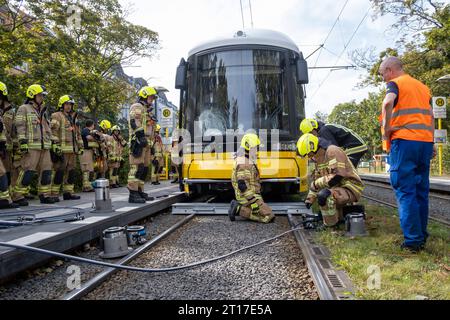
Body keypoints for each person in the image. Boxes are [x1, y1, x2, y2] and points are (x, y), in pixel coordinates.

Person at [379, 56, 434, 253]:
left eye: (382, 74)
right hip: (424, 142)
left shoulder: (395, 84)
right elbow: (431, 115)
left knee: (405, 190)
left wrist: (387, 130)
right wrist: (432, 140)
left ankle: (412, 241)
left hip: (404, 142)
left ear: (390, 70)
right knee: (421, 191)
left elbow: (387, 103)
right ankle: (421, 234)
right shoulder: (422, 87)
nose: (383, 79)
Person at [298, 134, 365, 227]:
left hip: (350, 187)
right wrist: (310, 198)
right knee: (324, 204)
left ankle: (330, 226)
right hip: (337, 187)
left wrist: (318, 183)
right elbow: (317, 181)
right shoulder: (318, 158)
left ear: (313, 147)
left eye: (309, 154)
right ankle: (353, 212)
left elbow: (338, 176)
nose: (309, 157)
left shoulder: (332, 151)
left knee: (325, 196)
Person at [13, 84, 55, 204]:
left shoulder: (43, 111)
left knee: (47, 171)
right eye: (40, 95)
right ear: (32, 95)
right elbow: (20, 126)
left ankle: (44, 195)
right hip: (31, 146)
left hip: (45, 146)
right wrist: (23, 141)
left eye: (42, 95)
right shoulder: (24, 108)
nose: (42, 97)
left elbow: (47, 128)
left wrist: (52, 142)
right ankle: (18, 195)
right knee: (28, 171)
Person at [228, 133, 275, 224]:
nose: (257, 150)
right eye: (255, 147)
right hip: (247, 196)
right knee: (268, 216)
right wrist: (253, 202)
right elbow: (242, 186)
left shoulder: (248, 159)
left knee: (269, 214)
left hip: (253, 195)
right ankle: (238, 208)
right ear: (249, 147)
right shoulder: (243, 163)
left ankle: (240, 208)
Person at [50, 95, 83, 202]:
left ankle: (68, 192)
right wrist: (55, 144)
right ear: (62, 105)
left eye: (70, 104)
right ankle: (54, 193)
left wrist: (81, 146)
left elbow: (78, 133)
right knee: (59, 171)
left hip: (73, 150)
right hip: (62, 150)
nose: (69, 106)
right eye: (67, 104)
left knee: (71, 172)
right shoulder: (56, 116)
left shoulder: (73, 117)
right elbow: (53, 131)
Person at [127, 86, 157, 203]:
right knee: (136, 167)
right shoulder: (137, 107)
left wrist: (152, 144)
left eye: (153, 97)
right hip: (139, 142)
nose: (152, 99)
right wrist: (141, 137)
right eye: (151, 97)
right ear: (144, 96)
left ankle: (139, 190)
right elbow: (134, 122)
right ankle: (132, 193)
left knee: (144, 168)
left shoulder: (148, 110)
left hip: (147, 144)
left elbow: (151, 128)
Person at [300, 119, 368, 168]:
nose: (312, 136)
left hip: (355, 147)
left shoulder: (323, 131)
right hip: (356, 146)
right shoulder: (325, 128)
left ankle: (349, 186)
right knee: (346, 168)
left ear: (314, 128)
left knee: (343, 167)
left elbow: (333, 149)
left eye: (311, 133)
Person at [0, 82, 19, 209]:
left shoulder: (10, 111)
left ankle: (7, 197)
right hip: (2, 146)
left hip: (7, 147)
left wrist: (17, 146)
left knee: (8, 172)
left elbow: (14, 131)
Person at [80, 119, 97, 192]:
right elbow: (88, 138)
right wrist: (96, 138)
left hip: (89, 151)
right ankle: (86, 186)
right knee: (86, 169)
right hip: (85, 151)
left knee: (90, 169)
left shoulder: (88, 131)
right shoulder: (85, 130)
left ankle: (89, 186)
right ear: (92, 125)